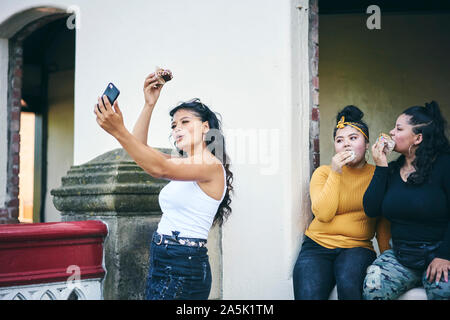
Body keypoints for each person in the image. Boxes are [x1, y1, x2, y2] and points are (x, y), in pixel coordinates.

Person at [94, 72, 233, 300]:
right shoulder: (184, 164)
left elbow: (157, 168)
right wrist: (149, 104)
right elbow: (139, 151)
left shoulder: (210, 165)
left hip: (184, 264)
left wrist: (118, 130)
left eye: (185, 122)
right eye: (173, 125)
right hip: (164, 257)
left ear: (206, 127)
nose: (176, 128)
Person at [292, 105, 391, 300]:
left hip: (357, 247)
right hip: (317, 246)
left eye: (353, 138)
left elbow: (382, 221)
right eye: (340, 140)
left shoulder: (378, 174)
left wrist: (386, 258)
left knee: (349, 286)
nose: (346, 144)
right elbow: (324, 214)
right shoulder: (323, 172)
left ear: (366, 142)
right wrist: (336, 172)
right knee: (307, 295)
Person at [362, 101, 450, 300]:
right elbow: (371, 209)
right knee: (372, 285)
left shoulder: (445, 165)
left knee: (444, 291)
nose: (391, 133)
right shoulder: (392, 170)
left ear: (418, 138)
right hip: (401, 256)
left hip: (440, 252)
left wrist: (445, 255)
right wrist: (381, 166)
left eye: (399, 128)